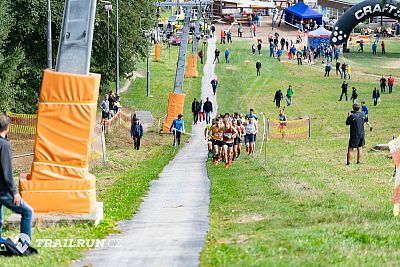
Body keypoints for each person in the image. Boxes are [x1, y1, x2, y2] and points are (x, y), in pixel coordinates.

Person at [0, 114, 33, 240]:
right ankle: (24, 245)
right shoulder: (4, 145)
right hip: (3, 191)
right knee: (27, 212)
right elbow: (6, 171)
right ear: (7, 127)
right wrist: (15, 192)